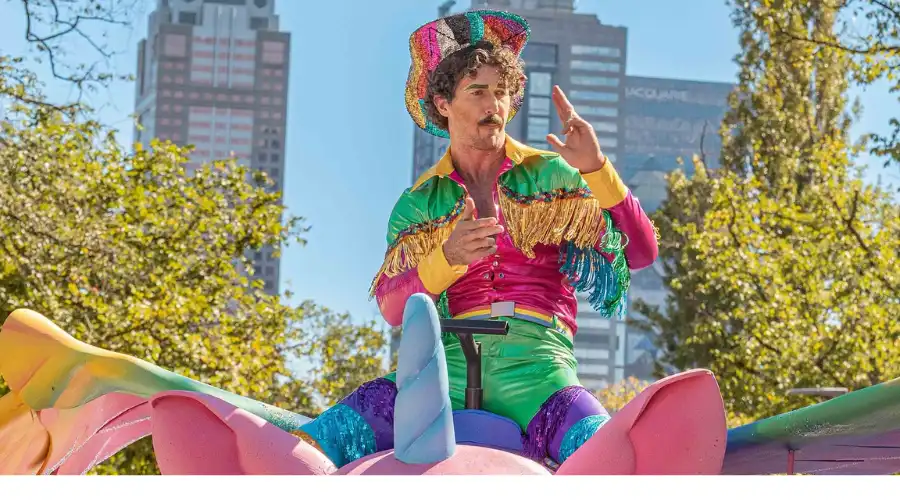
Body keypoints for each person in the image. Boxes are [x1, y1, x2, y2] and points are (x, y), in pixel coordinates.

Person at [293, 9, 659, 469]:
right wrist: (446, 258)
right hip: (444, 368)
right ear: (443, 103)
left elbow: (641, 253)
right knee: (316, 442)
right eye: (478, 91)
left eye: (503, 92)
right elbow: (390, 307)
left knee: (616, 462)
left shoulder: (554, 174)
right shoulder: (420, 202)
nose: (495, 105)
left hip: (540, 367)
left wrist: (595, 169)